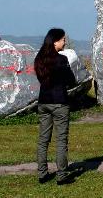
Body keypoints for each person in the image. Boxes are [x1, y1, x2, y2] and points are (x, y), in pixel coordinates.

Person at [34, 28, 76, 185]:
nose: (64, 42)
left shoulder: (39, 59)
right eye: (63, 39)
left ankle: (42, 173)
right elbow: (71, 81)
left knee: (43, 139)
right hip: (60, 102)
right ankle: (62, 175)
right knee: (61, 140)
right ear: (55, 41)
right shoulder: (61, 60)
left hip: (43, 101)